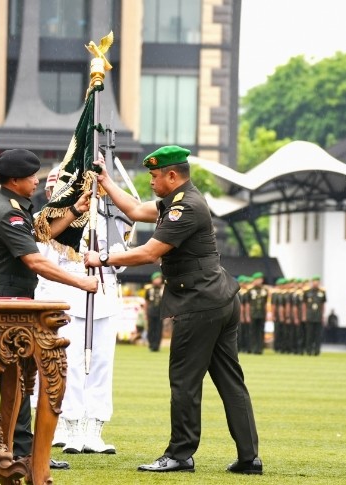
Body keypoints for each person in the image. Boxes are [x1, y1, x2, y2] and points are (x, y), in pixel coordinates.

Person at [84, 145, 261, 474]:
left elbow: (150, 252)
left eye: (154, 176)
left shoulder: (185, 208)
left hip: (200, 303)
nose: (150, 181)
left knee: (184, 381)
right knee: (230, 382)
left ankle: (180, 454)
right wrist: (107, 181)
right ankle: (249, 458)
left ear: (172, 175)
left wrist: (103, 258)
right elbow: (136, 210)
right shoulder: (179, 202)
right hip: (218, 299)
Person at [0, 149, 99, 470]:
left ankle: (23, 447)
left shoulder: (15, 208)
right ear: (15, 180)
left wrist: (74, 209)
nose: (37, 180)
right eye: (32, 176)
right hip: (1, 307)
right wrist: (81, 283)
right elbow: (34, 260)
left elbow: (41, 235)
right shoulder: (8, 213)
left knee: (19, 376)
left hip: (13, 305)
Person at [35, 166, 127, 455]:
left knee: (102, 366)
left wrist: (102, 253)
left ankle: (94, 430)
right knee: (71, 367)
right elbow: (45, 260)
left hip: (104, 294)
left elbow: (122, 259)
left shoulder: (111, 216)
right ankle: (72, 428)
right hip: (69, 296)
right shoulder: (53, 220)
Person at [302, 276, 327, 355]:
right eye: (314, 281)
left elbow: (323, 305)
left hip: (318, 316)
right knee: (309, 334)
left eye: (317, 281)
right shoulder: (307, 292)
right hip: (310, 315)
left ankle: (317, 350)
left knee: (318, 335)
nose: (316, 283)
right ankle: (309, 350)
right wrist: (304, 315)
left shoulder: (322, 292)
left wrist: (323, 315)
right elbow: (304, 305)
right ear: (312, 282)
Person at [245, 272, 268, 354]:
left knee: (261, 331)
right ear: (254, 280)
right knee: (253, 331)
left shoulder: (264, 290)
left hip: (261, 313)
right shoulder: (250, 290)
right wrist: (247, 315)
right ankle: (253, 348)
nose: (259, 281)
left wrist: (267, 314)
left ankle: (260, 349)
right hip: (253, 313)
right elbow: (247, 304)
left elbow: (265, 303)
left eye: (260, 279)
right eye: (257, 279)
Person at [144, 272, 164, 352]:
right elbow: (146, 302)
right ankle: (151, 345)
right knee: (151, 328)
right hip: (151, 311)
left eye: (159, 278)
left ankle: (157, 345)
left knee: (159, 329)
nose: (158, 280)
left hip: (160, 312)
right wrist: (145, 313)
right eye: (156, 278)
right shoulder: (148, 290)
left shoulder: (164, 289)